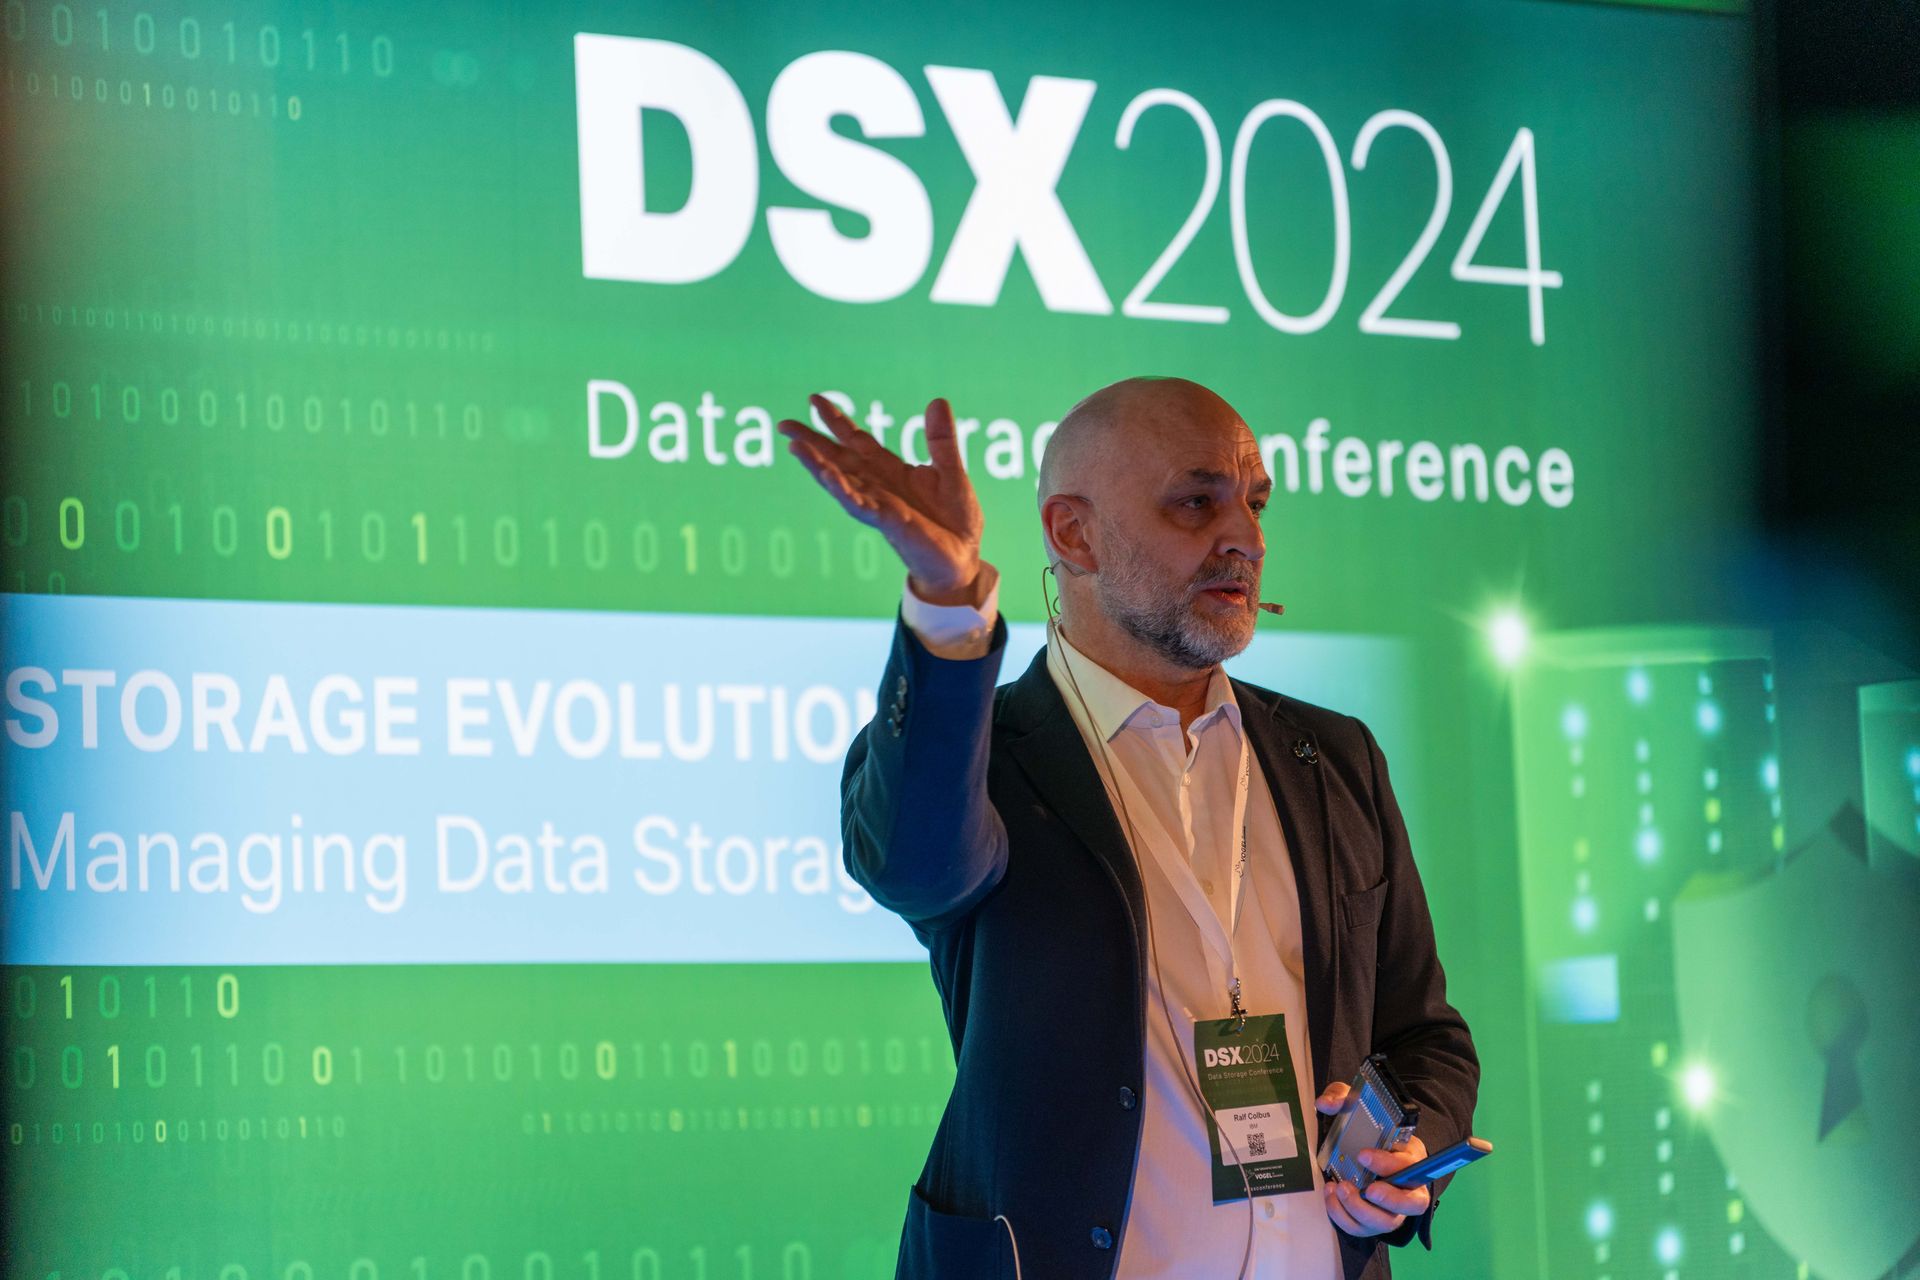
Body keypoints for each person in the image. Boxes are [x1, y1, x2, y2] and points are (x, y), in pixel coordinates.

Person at [776, 376, 1478, 1279]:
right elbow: (913, 865)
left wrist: (1407, 1146)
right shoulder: (989, 757)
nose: (1248, 538)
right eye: (1197, 502)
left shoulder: (1334, 758)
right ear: (1075, 535)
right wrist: (947, 598)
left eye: (1256, 503)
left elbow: (1425, 1036)